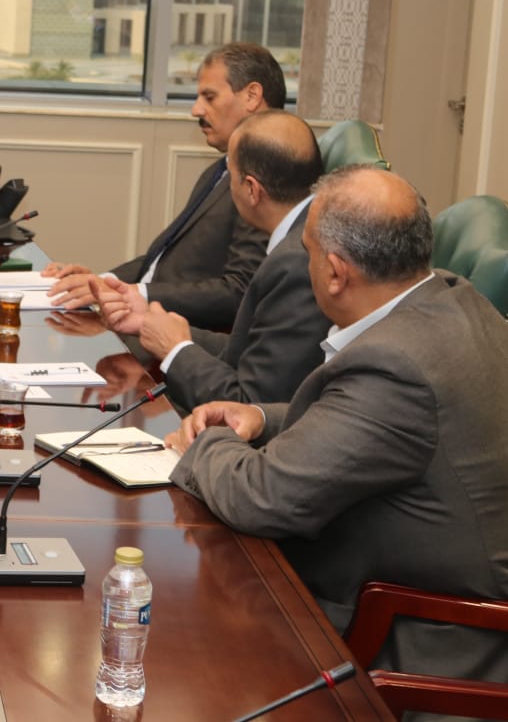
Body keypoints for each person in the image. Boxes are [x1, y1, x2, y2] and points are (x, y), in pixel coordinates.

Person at [166, 166, 508, 691]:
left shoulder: (395, 366)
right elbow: (371, 429)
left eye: (306, 252)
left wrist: (203, 442)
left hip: (423, 639)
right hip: (418, 587)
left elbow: (262, 497)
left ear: (334, 272)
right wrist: (261, 418)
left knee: (183, 637)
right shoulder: (454, 297)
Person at [95, 110, 329, 414]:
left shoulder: (297, 262)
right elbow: (249, 352)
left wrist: (176, 351)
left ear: (251, 190)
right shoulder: (304, 234)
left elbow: (249, 406)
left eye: (231, 174)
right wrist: (152, 325)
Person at [44, 42, 282, 330]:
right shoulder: (221, 169)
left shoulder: (268, 175)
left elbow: (238, 291)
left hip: (177, 334)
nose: (196, 110)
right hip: (142, 315)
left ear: (252, 96)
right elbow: (163, 261)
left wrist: (134, 294)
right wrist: (103, 282)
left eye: (209, 97)